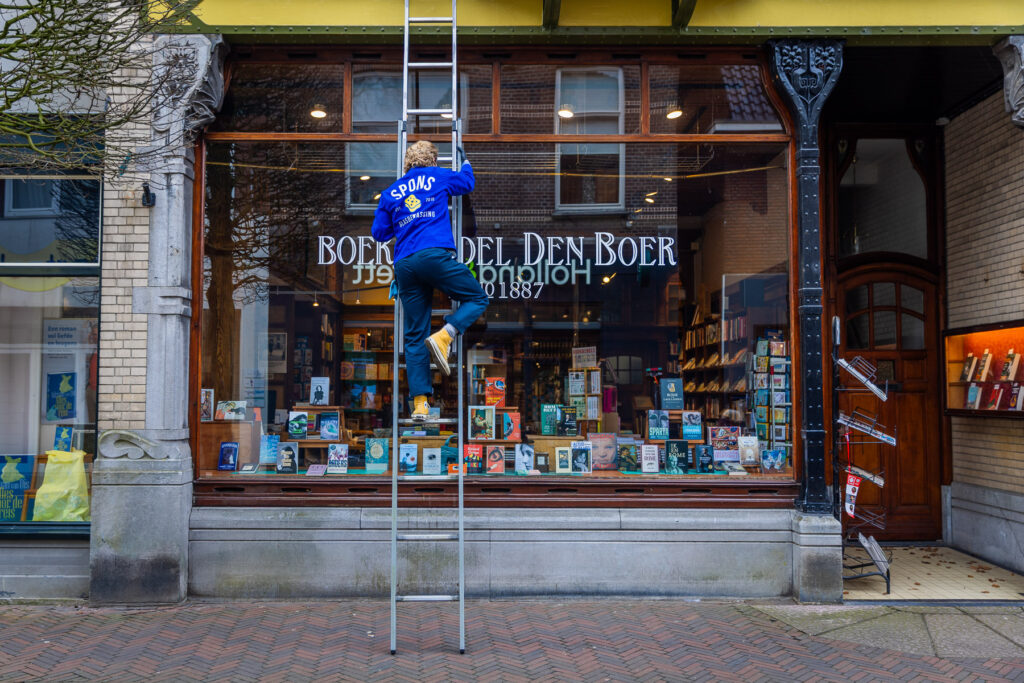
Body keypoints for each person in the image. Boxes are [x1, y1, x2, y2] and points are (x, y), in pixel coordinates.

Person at [371, 141, 489, 422]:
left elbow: (379, 233)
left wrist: (401, 219)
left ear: (407, 163)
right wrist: (465, 160)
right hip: (434, 256)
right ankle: (445, 334)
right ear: (433, 160)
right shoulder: (437, 176)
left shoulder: (390, 193)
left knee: (413, 335)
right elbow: (467, 182)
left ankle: (420, 405)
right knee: (477, 298)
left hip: (405, 266)